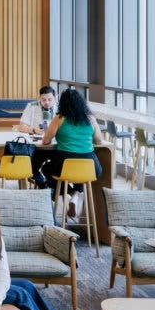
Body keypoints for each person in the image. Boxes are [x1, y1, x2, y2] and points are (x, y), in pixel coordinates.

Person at [40, 88, 103, 216]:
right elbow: (99, 141)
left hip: (65, 164)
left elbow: (46, 141)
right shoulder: (90, 118)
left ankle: (66, 194)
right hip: (90, 166)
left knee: (46, 168)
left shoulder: (59, 118)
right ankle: (75, 194)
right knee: (81, 172)